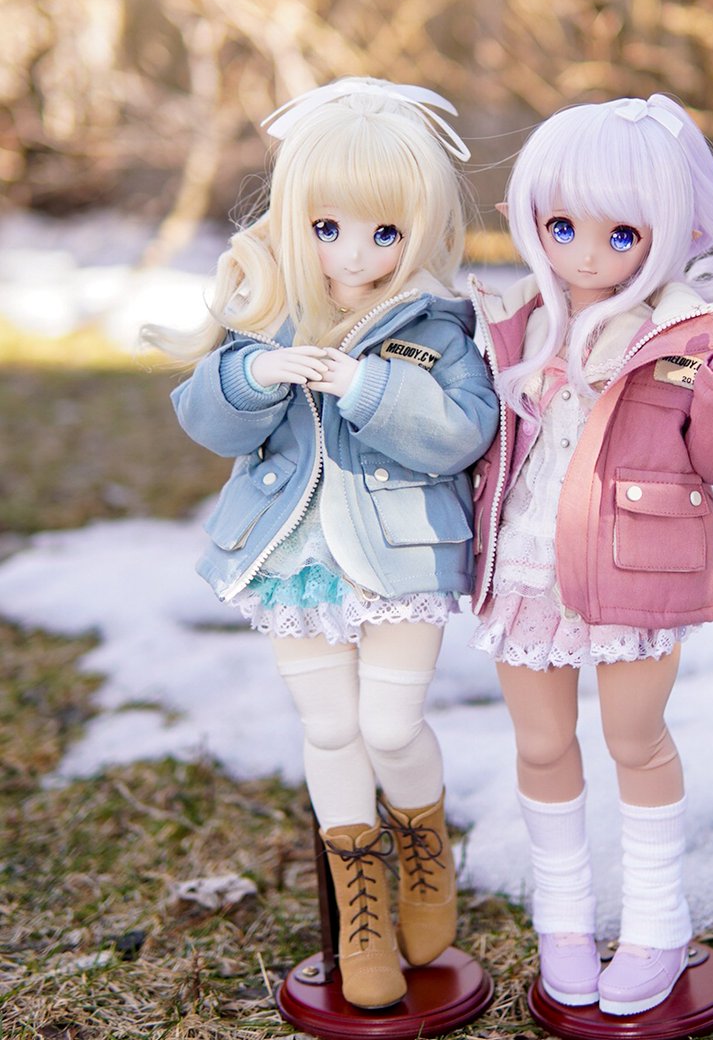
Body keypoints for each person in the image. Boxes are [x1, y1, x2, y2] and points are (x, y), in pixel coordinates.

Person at [145, 77, 499, 1010]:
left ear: (420, 230)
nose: (353, 253)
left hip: (402, 559)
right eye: (328, 227)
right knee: (331, 729)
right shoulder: (265, 308)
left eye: (385, 232)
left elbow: (466, 433)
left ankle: (423, 843)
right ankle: (360, 908)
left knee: (389, 726)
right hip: (295, 559)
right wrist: (257, 371)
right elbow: (203, 417)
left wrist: (369, 389)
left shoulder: (438, 324)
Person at [467, 94, 713, 1017]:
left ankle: (657, 925)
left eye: (621, 235)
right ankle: (564, 923)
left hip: (635, 564)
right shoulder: (511, 319)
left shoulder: (689, 333)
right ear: (527, 218)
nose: (586, 255)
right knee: (541, 743)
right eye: (562, 226)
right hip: (526, 563)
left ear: (673, 233)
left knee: (636, 739)